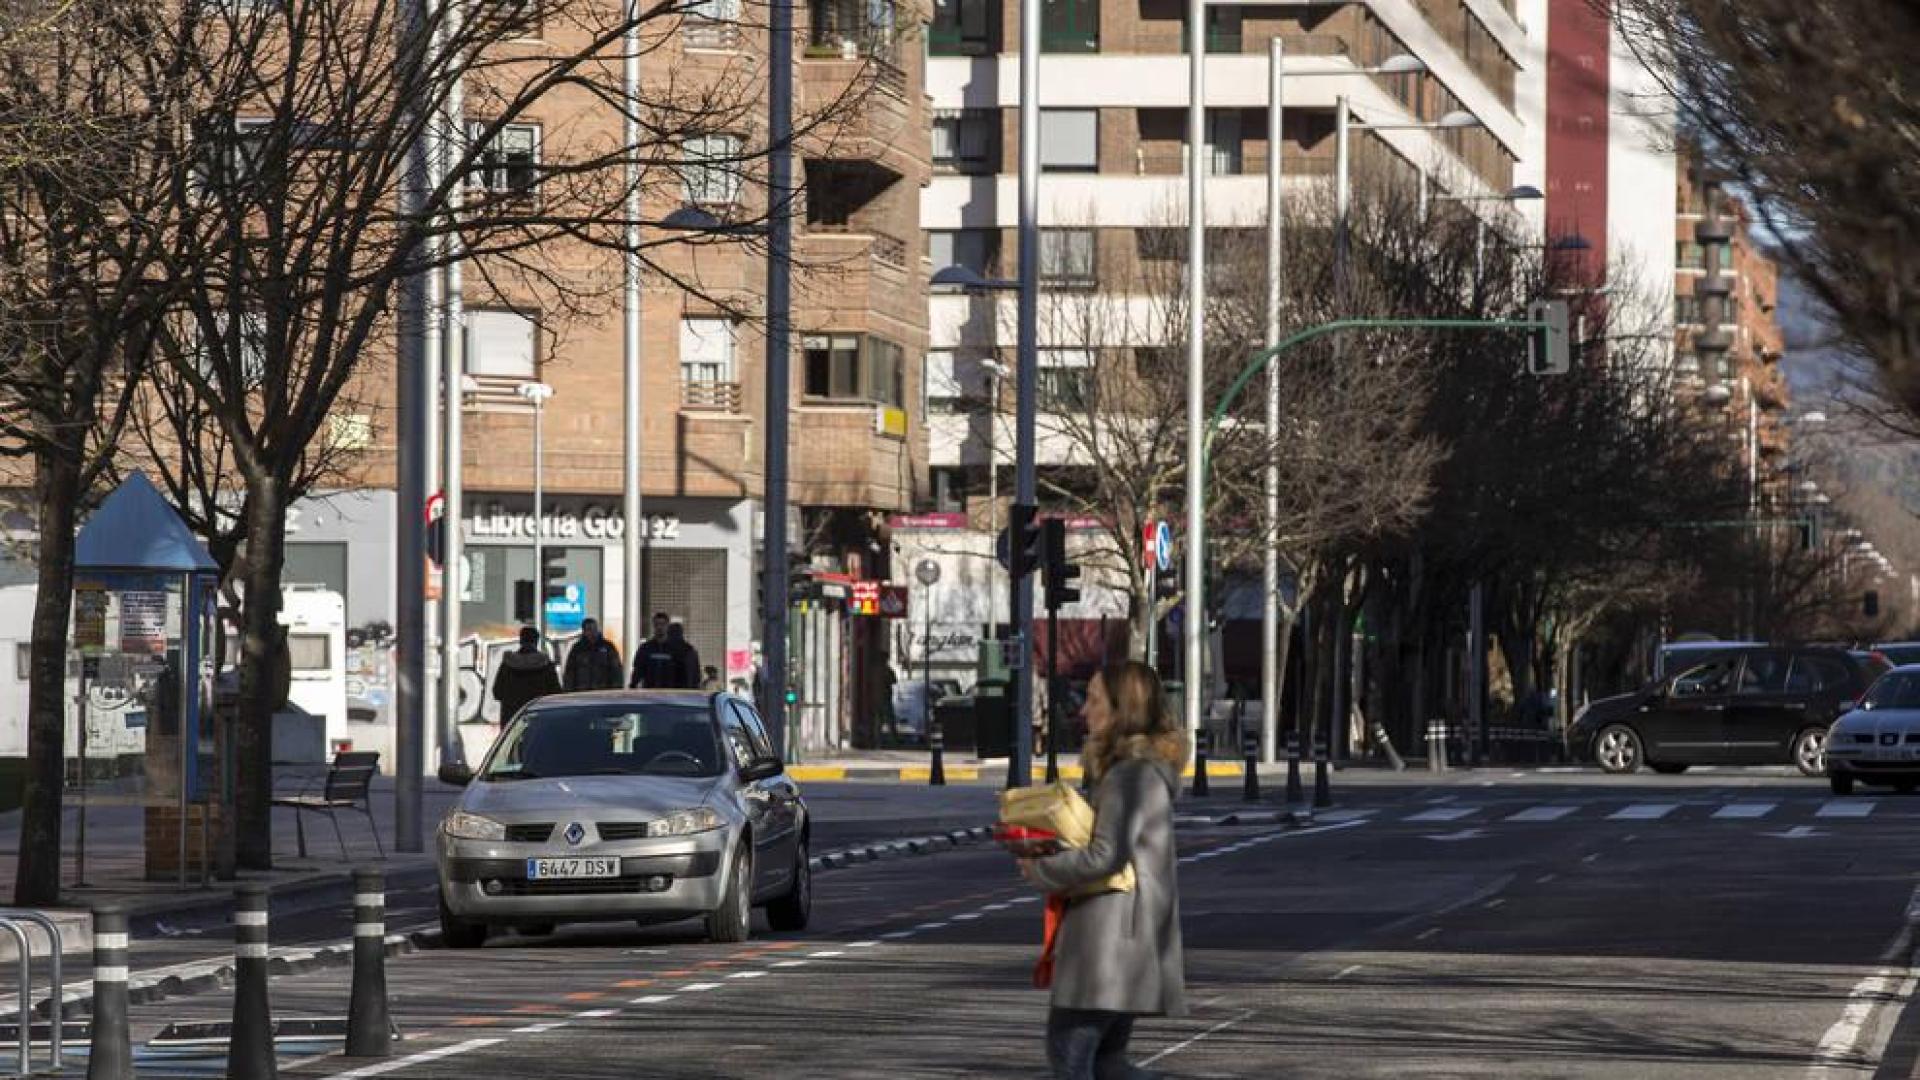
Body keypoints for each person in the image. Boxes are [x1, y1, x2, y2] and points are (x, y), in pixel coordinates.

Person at [1018, 660, 1188, 1080]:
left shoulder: (1129, 776)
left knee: (1069, 1057)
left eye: (1094, 701)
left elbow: (1106, 856)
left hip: (1109, 947)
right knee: (1108, 1063)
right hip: (1132, 941)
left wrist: (1041, 869)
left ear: (1121, 710)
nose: (1083, 711)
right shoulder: (1137, 773)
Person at [492, 627, 561, 722]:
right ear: (536, 641)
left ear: (520, 641)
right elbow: (555, 692)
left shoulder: (508, 663)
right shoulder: (545, 664)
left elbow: (497, 692)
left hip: (512, 717)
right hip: (539, 715)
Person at [563, 618, 623, 691]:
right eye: (589, 629)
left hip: (603, 692)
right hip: (582, 692)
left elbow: (616, 670)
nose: (593, 632)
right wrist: (568, 690)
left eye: (595, 629)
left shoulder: (608, 647)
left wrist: (616, 689)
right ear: (584, 631)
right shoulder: (577, 649)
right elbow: (570, 672)